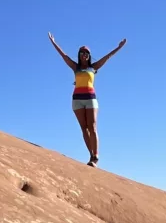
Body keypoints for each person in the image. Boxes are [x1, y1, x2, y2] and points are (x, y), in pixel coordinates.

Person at [48, 32, 126, 166]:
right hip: (77, 99)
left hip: (90, 98)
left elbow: (107, 57)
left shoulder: (93, 67)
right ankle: (91, 156)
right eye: (82, 53)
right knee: (84, 128)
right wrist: (53, 41)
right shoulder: (75, 67)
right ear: (79, 55)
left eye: (86, 53)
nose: (84, 55)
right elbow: (63, 56)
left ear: (89, 56)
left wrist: (119, 47)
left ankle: (95, 157)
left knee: (93, 126)